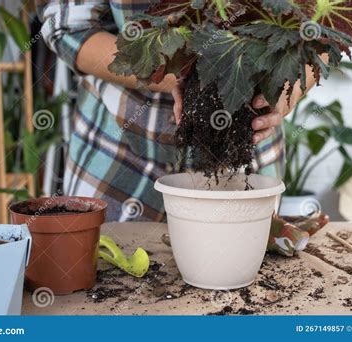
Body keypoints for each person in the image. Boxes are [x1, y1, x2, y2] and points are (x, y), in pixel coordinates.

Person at [36, 0, 321, 222]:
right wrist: (178, 72)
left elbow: (328, 26)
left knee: (243, 283)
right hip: (119, 155)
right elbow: (67, 27)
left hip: (248, 156)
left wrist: (295, 78)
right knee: (109, 283)